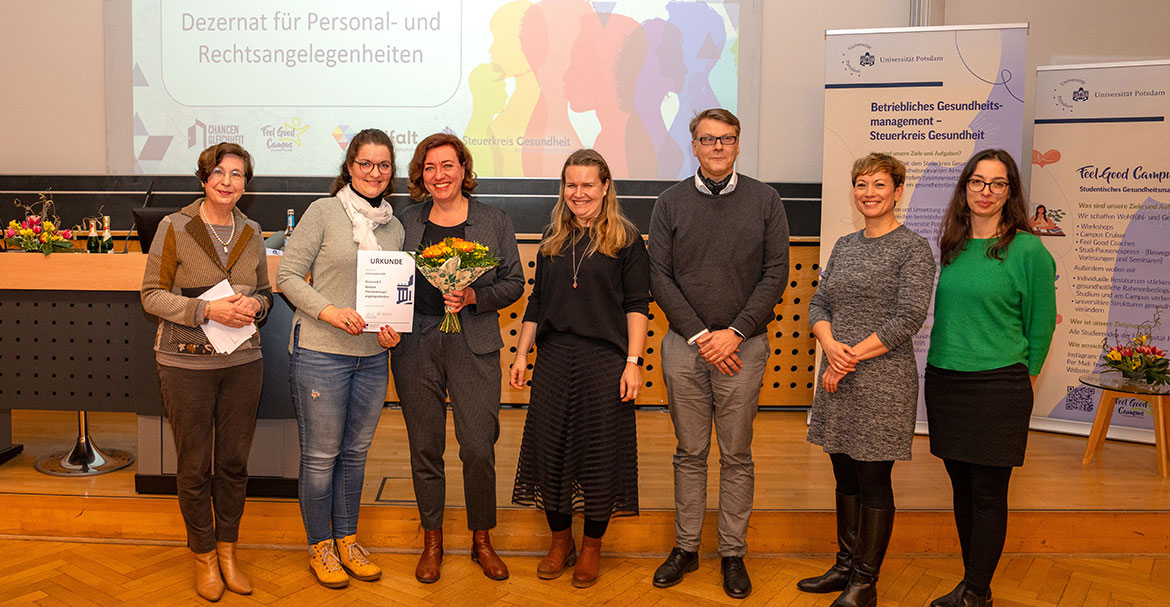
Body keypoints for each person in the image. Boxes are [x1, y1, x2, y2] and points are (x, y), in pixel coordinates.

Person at [648, 108, 789, 599]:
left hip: (743, 348)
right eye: (708, 139)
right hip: (684, 347)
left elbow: (776, 272)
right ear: (694, 145)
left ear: (737, 144)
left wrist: (735, 332)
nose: (717, 147)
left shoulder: (766, 200)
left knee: (737, 455)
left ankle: (732, 553)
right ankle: (686, 548)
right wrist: (700, 336)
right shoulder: (669, 202)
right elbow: (659, 276)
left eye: (726, 139)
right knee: (689, 453)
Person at [798, 153, 936, 607]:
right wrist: (830, 346)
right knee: (844, 475)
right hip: (838, 377)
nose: (869, 193)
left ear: (898, 192)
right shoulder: (844, 245)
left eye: (879, 184)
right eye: (861, 184)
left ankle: (865, 582)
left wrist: (846, 358)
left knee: (873, 478)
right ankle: (844, 565)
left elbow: (908, 318)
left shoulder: (913, 248)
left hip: (883, 383)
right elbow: (819, 304)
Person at [509, 149, 651, 587]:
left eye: (588, 184)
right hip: (554, 360)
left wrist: (633, 362)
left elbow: (636, 305)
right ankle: (560, 542)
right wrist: (521, 353)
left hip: (605, 362)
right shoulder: (553, 238)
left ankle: (591, 547)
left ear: (605, 187)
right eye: (571, 184)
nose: (579, 193)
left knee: (599, 459)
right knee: (549, 454)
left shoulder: (627, 240)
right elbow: (537, 301)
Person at [140, 142, 271, 601]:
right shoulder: (174, 227)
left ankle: (229, 551)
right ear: (203, 179)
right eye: (218, 172)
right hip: (185, 365)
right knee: (194, 465)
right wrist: (206, 310)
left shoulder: (252, 231)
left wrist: (256, 304)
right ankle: (204, 556)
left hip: (242, 364)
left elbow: (266, 293)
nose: (227, 181)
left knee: (233, 464)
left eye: (237, 174)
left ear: (245, 185)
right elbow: (151, 295)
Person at [926, 149, 1056, 607]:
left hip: (998, 385)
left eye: (997, 183)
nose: (986, 191)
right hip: (945, 380)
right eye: (977, 182)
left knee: (986, 493)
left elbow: (1041, 326)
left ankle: (977, 591)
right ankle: (972, 582)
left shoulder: (1028, 250)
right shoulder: (953, 244)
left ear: (1010, 192)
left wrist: (1025, 383)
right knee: (961, 489)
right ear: (965, 188)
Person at [393, 133, 525, 583]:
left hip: (474, 343)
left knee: (477, 447)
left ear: (464, 170)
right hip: (415, 345)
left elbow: (514, 283)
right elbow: (387, 280)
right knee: (425, 447)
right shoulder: (405, 222)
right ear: (421, 175)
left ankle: (481, 539)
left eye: (447, 165)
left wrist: (473, 296)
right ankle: (432, 540)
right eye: (429, 167)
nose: (439, 175)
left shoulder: (493, 220)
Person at [276, 128, 405, 589]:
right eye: (365, 163)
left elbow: (392, 293)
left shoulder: (394, 226)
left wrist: (392, 329)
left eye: (383, 165)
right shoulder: (324, 212)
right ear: (349, 167)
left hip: (372, 357)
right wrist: (329, 311)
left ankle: (347, 540)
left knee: (354, 455)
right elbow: (287, 276)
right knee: (320, 456)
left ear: (391, 171)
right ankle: (321, 546)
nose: (374, 172)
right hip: (320, 353)